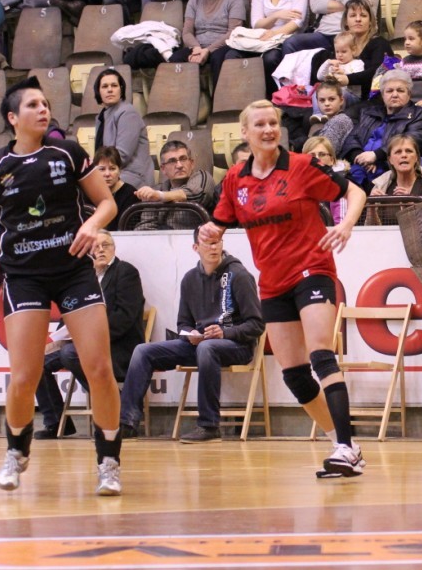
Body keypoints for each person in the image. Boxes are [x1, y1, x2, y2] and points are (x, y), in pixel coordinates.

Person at [0, 77, 123, 495]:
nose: (43, 109)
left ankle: (109, 461)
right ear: (13, 118)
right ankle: (16, 451)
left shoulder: (68, 152)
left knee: (99, 368)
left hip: (73, 271)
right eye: (33, 105)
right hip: (24, 276)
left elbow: (107, 202)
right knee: (24, 376)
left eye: (45, 103)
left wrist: (91, 225)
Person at [204, 100, 370, 477]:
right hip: (272, 282)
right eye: (259, 124)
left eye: (273, 123)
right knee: (294, 374)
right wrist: (209, 232)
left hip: (312, 270)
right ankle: (345, 446)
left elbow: (355, 193)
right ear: (244, 133)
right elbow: (218, 224)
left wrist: (345, 225)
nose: (268, 130)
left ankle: (345, 447)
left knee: (321, 354)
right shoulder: (235, 179)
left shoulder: (301, 166)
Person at [119, 229, 263, 443]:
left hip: (237, 345)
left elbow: (256, 324)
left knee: (208, 348)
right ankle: (127, 424)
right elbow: (183, 323)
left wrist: (224, 332)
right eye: (208, 243)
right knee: (143, 351)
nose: (214, 247)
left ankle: (209, 425)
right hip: (200, 344)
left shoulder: (239, 275)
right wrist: (190, 334)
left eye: (217, 242)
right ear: (196, 247)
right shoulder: (189, 279)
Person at [35, 229, 145, 439]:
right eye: (96, 246)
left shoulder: (125, 272)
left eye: (106, 245)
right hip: (83, 345)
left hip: (117, 346)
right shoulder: (82, 279)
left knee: (71, 353)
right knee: (36, 361)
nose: (101, 250)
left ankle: (115, 404)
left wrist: (89, 338)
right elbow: (69, 314)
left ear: (114, 249)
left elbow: (125, 317)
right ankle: (56, 422)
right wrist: (57, 339)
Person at [340, 69, 422, 189]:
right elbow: (352, 138)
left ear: (409, 94)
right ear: (382, 95)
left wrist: (376, 156)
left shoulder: (419, 115)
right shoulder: (369, 113)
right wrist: (361, 158)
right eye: (389, 91)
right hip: (360, 166)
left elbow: (416, 141)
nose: (394, 95)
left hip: (390, 169)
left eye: (400, 90)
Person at [168, 0, 245, 87]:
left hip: (224, 46)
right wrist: (197, 48)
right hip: (198, 46)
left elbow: (234, 32)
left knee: (217, 58)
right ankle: (182, 100)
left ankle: (218, 98)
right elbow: (187, 32)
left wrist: (208, 50)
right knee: (175, 59)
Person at [308, 0, 391, 102]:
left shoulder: (380, 43)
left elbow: (378, 72)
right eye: (353, 15)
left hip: (369, 99)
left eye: (363, 15)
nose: (358, 19)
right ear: (346, 21)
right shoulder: (341, 44)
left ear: (370, 21)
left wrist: (348, 79)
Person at [91, 68, 153, 190]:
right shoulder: (101, 117)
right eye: (105, 86)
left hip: (132, 176)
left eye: (114, 85)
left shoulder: (127, 113)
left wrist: (97, 172)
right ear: (98, 91)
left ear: (121, 89)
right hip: (111, 172)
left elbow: (122, 156)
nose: (110, 89)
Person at [134, 139, 215, 214]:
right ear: (163, 169)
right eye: (172, 161)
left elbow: (197, 195)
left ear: (192, 163)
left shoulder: (203, 177)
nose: (179, 165)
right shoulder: (159, 190)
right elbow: (147, 222)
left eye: (183, 159)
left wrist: (160, 196)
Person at [370, 133, 422, 200]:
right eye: (398, 152)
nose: (404, 155)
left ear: (416, 157)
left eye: (409, 151)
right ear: (390, 160)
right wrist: (372, 207)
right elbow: (372, 213)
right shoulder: (380, 185)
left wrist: (411, 203)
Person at [302, 135, 350, 224]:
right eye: (311, 155)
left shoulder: (339, 183)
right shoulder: (296, 182)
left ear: (332, 160)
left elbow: (341, 223)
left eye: (322, 154)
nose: (317, 158)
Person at [94, 146, 140, 230]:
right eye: (102, 169)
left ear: (119, 170)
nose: (107, 174)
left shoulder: (131, 194)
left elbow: (129, 229)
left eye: (112, 169)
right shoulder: (89, 193)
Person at [303, 80, 355, 154]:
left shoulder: (339, 121)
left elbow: (324, 154)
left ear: (341, 100)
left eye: (331, 99)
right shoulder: (334, 120)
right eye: (322, 100)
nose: (327, 104)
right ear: (317, 102)